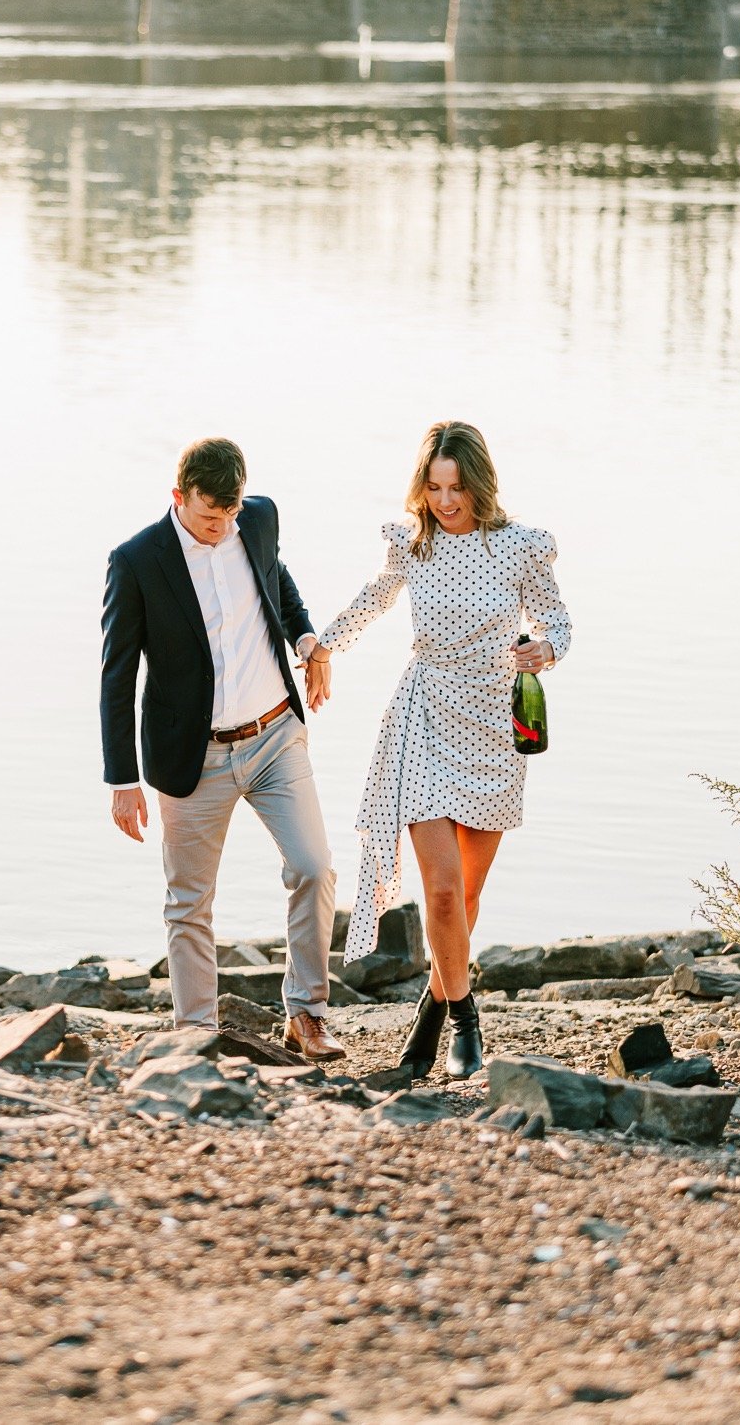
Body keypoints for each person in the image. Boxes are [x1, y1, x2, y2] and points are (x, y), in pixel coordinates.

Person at [304, 421, 572, 1081]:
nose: (445, 500)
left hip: (492, 729)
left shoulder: (518, 549)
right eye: (434, 485)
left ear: (479, 484)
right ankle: (468, 1017)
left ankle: (433, 1005)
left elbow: (557, 622)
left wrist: (545, 650)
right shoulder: (413, 545)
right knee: (443, 896)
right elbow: (375, 598)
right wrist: (323, 643)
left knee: (468, 897)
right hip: (424, 718)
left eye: (456, 487)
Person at [101, 437, 343, 1062]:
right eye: (211, 517)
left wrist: (308, 638)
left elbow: (277, 581)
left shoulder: (258, 519)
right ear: (178, 498)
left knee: (314, 868)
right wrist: (122, 778)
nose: (223, 527)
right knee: (189, 902)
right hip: (193, 759)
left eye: (231, 515)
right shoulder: (135, 561)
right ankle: (196, 1038)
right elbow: (117, 674)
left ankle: (307, 1015)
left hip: (273, 737)